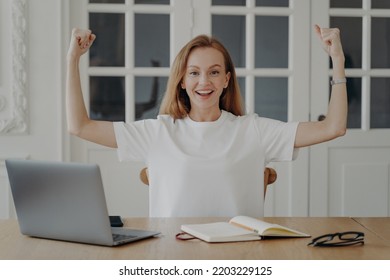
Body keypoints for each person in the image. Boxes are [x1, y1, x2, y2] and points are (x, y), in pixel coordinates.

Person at [66, 25, 347, 217]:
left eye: (214, 72)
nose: (204, 82)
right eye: (194, 73)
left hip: (239, 258)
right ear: (182, 81)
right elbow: (80, 126)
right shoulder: (158, 132)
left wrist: (337, 60)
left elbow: (333, 127)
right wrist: (72, 59)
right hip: (172, 258)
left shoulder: (254, 130)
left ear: (226, 80)